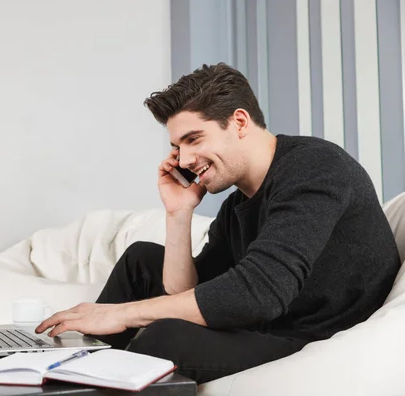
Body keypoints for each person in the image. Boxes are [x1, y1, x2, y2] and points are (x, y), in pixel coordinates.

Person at [35, 63, 401, 383]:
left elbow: (258, 293)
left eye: (194, 139)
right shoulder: (237, 204)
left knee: (164, 338)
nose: (186, 158)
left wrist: (118, 314)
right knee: (140, 260)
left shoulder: (315, 168)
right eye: (178, 146)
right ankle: (72, 372)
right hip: (266, 322)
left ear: (239, 122)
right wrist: (178, 214)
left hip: (311, 338)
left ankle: (96, 371)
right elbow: (182, 293)